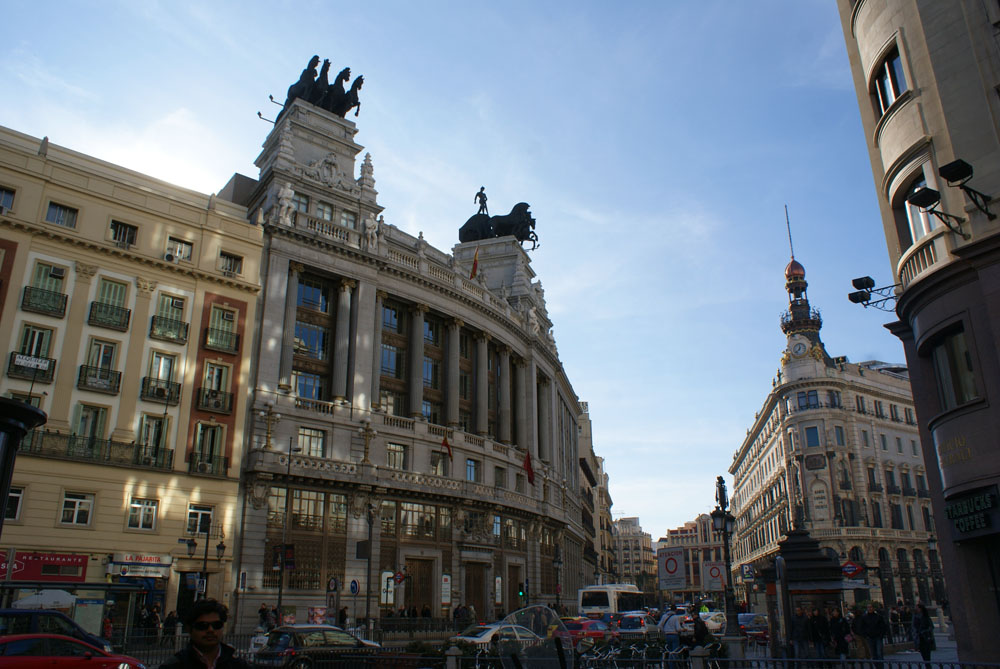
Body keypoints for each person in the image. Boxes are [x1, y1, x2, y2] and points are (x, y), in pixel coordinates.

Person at [159, 598, 249, 669]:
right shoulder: (173, 665)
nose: (211, 630)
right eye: (203, 625)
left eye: (216, 625)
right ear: (189, 629)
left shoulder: (238, 665)